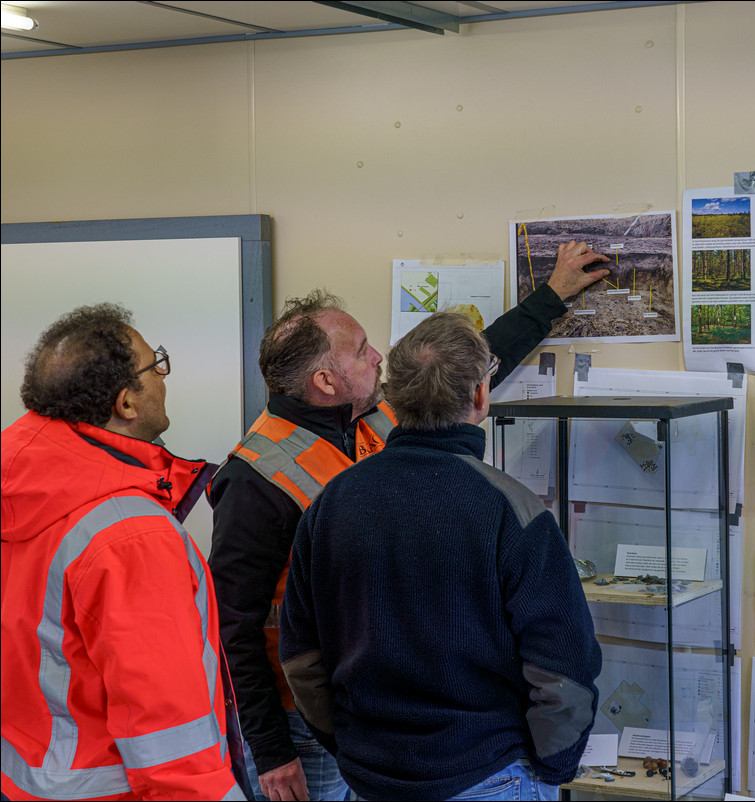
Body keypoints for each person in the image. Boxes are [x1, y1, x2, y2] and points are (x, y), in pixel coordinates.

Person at [207, 242, 609, 801]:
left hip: (372, 733)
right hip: (311, 727)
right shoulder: (255, 479)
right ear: (326, 381)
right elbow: (234, 628)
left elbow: (460, 369)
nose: (378, 357)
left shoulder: (377, 414)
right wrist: (272, 751)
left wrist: (549, 296)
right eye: (362, 349)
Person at [1, 304, 248, 801]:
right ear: (126, 405)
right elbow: (171, 738)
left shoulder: (21, 480)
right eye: (153, 364)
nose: (162, 374)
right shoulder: (130, 534)